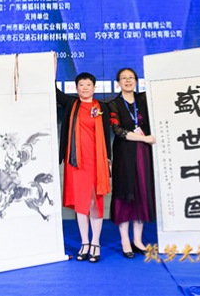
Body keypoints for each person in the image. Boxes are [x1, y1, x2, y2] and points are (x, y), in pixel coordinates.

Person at [55, 66, 111, 263]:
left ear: (94, 87)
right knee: (81, 203)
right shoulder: (72, 103)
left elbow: (106, 135)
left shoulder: (102, 107)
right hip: (76, 162)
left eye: (88, 85)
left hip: (96, 162)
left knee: (95, 201)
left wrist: (109, 159)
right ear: (76, 87)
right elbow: (53, 90)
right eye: (81, 85)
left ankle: (95, 242)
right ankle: (84, 243)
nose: (85, 88)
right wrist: (53, 66)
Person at [108, 68, 156, 259]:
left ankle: (137, 240)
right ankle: (125, 241)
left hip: (144, 154)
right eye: (124, 78)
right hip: (125, 154)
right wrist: (144, 139)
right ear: (118, 83)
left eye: (131, 78)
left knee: (141, 194)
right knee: (124, 194)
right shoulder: (114, 104)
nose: (128, 81)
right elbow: (117, 130)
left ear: (136, 81)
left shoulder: (144, 99)